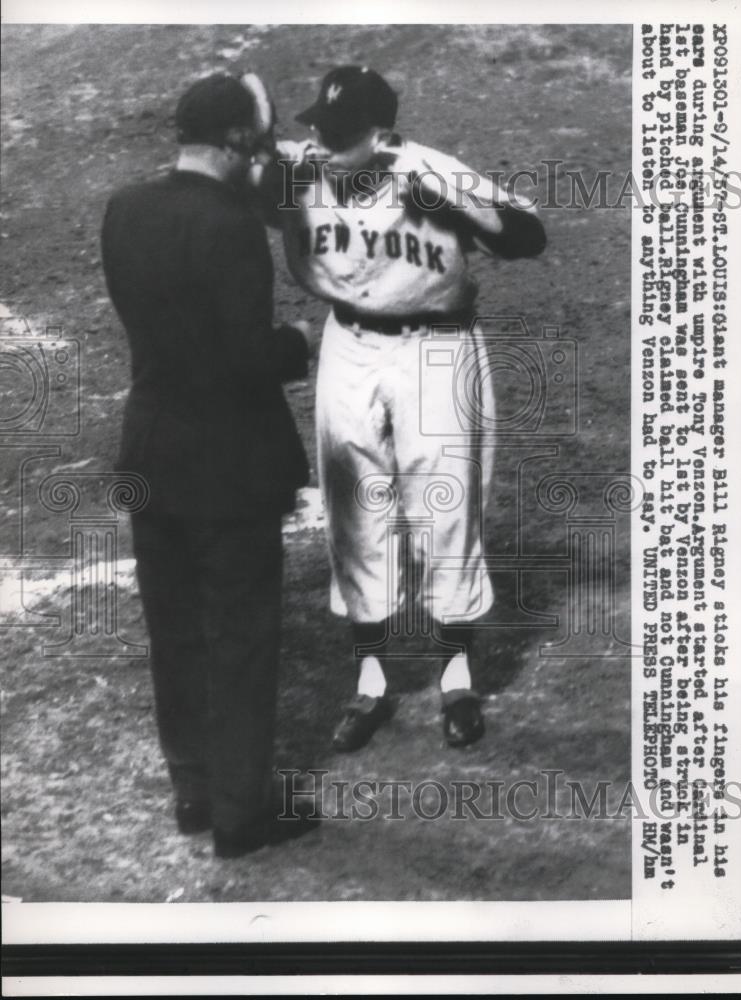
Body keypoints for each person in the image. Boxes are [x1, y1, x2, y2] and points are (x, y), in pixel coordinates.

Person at [250, 65, 546, 752]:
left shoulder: (429, 173)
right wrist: (260, 134)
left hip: (438, 351)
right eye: (317, 129)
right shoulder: (297, 173)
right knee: (355, 512)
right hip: (349, 345)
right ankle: (373, 683)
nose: (322, 143)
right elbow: (233, 179)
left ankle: (456, 678)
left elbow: (526, 237)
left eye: (341, 134)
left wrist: (459, 203)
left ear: (381, 134)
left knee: (447, 509)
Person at [101, 72, 314, 858]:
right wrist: (296, 346)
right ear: (236, 143)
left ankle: (192, 790)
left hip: (151, 451)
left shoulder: (125, 206)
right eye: (258, 138)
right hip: (228, 467)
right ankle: (241, 814)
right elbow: (241, 362)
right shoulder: (230, 227)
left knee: (175, 633)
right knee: (241, 638)